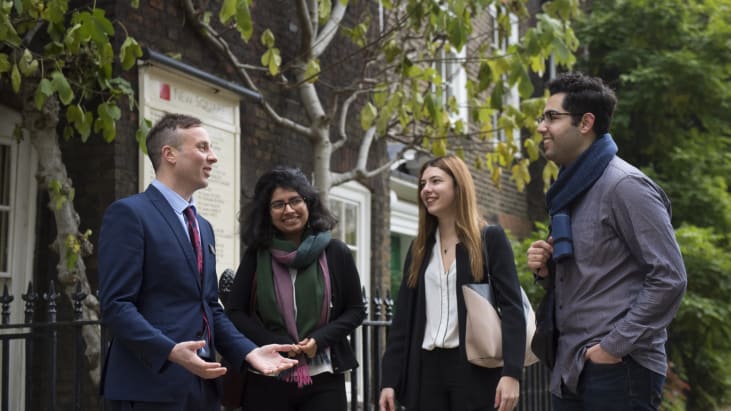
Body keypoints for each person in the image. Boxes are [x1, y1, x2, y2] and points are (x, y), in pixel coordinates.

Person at [98, 113, 297, 411]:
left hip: (202, 389)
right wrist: (170, 351)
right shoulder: (129, 215)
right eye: (203, 147)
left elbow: (209, 306)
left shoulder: (203, 226)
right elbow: (116, 305)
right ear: (170, 154)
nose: (213, 157)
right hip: (148, 389)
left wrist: (248, 352)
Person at [526, 72, 687, 411]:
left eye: (552, 117)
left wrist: (612, 348)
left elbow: (670, 277)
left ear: (586, 123)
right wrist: (547, 272)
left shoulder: (625, 186)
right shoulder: (570, 192)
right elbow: (594, 280)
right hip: (570, 367)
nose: (541, 126)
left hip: (619, 371)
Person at [379, 155, 525, 411]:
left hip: (474, 368)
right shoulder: (420, 249)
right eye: (423, 184)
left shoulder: (489, 239)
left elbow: (513, 309)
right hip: (426, 370)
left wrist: (512, 373)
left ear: (458, 187)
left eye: (436, 181)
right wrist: (389, 381)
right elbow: (402, 322)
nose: (427, 189)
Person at [226, 166, 366, 410]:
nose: (288, 210)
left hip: (323, 378)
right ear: (267, 213)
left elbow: (355, 310)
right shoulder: (256, 256)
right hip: (267, 378)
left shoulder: (336, 253)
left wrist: (319, 340)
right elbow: (235, 311)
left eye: (295, 201)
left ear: (308, 204)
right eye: (278, 204)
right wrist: (273, 342)